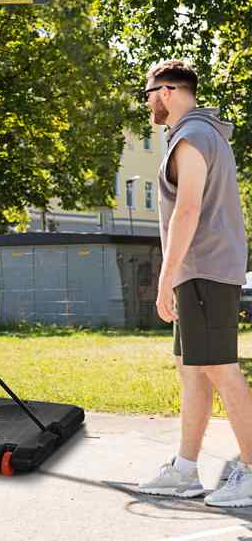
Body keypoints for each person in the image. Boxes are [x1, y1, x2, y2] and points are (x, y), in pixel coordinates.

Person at [138, 60, 252, 507]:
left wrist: (165, 278)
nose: (146, 103)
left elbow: (187, 211)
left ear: (166, 91)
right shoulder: (208, 135)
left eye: (147, 94)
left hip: (202, 268)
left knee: (222, 370)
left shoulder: (191, 138)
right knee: (194, 371)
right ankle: (185, 469)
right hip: (200, 270)